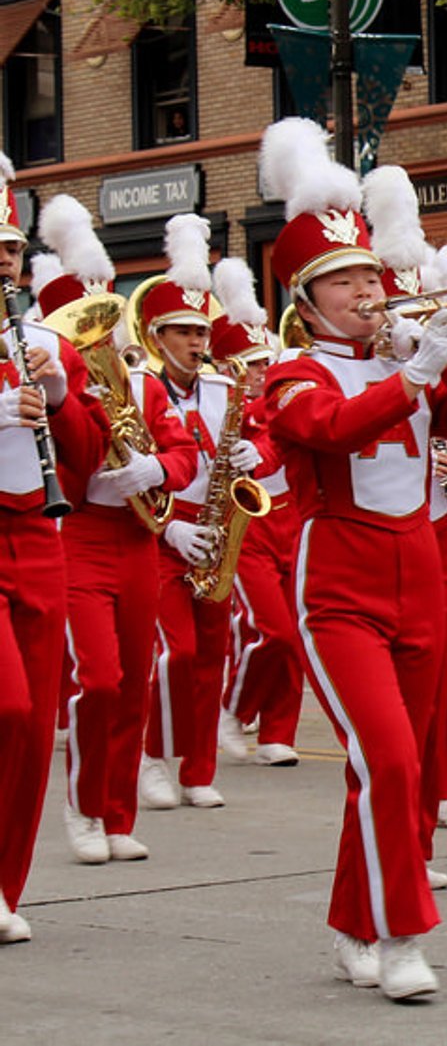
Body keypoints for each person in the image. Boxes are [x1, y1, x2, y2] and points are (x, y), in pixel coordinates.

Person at [257, 117, 447, 998]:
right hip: (340, 590)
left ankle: (352, 922)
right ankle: (403, 936)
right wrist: (408, 379)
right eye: (345, 279)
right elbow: (320, 429)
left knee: (386, 767)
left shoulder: (410, 356)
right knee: (394, 763)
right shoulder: (293, 370)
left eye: (371, 272)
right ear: (307, 300)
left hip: (424, 581)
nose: (369, 289)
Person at [43, 194, 199, 866]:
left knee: (133, 678)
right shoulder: (60, 389)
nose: (101, 340)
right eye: (88, 329)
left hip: (136, 542)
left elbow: (187, 453)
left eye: (106, 324)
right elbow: (76, 454)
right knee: (97, 679)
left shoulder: (149, 387)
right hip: (80, 539)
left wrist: (155, 467)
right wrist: (74, 397)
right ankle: (82, 806)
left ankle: (116, 812)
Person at [0, 163, 106, 942]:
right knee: (4, 702)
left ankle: (5, 885)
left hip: (39, 530)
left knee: (34, 722)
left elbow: (90, 453)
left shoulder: (44, 341)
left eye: (8, 249)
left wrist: (62, 398)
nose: (0, 261)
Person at [139, 214, 262, 812]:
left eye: (200, 330)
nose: (196, 341)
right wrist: (168, 526)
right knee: (174, 653)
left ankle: (197, 768)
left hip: (216, 534)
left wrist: (255, 450)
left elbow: (268, 443)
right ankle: (153, 757)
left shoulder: (225, 390)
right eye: (182, 331)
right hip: (161, 532)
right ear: (155, 336)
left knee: (212, 651)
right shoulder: (140, 389)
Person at [208, 259, 304, 767]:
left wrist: (262, 448)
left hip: (292, 520)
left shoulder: (281, 401)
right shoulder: (218, 404)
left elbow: (288, 440)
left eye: (264, 363)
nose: (262, 374)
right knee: (272, 629)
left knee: (296, 635)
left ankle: (278, 731)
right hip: (247, 530)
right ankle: (233, 708)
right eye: (251, 366)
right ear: (227, 369)